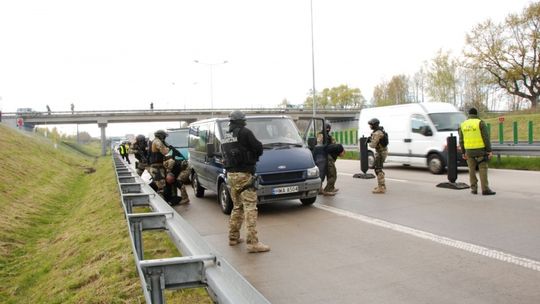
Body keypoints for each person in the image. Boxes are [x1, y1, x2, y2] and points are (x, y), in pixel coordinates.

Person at [222, 110, 269, 253]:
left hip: (231, 175)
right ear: (241, 121)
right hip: (244, 175)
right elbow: (258, 148)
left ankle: (233, 237)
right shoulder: (245, 132)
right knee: (250, 208)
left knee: (237, 207)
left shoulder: (226, 135)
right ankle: (252, 243)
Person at [458, 108, 496, 195]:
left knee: (471, 170)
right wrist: (489, 151)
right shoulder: (480, 123)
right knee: (482, 169)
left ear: (469, 114)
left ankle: (474, 189)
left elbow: (461, 140)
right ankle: (485, 189)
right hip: (480, 151)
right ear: (476, 114)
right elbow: (486, 138)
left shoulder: (463, 125)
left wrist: (463, 152)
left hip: (469, 151)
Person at [149, 129, 171, 197]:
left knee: (156, 184)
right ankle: (162, 204)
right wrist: (169, 148)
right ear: (161, 136)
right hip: (157, 168)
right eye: (164, 136)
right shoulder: (157, 142)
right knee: (161, 186)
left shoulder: (155, 141)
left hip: (157, 166)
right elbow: (165, 152)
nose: (164, 138)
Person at [318, 122, 338, 196]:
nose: (328, 130)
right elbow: (319, 144)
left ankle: (328, 188)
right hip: (324, 156)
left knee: (327, 173)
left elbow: (334, 143)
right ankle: (327, 189)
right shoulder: (321, 135)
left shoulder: (328, 136)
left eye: (328, 128)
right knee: (330, 173)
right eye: (327, 128)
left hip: (326, 156)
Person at [368, 118, 388, 194]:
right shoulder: (380, 131)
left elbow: (372, 145)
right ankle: (382, 185)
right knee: (378, 168)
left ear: (374, 125)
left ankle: (381, 187)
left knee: (378, 169)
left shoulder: (377, 133)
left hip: (381, 152)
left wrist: (369, 141)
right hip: (382, 151)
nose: (370, 126)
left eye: (370, 125)